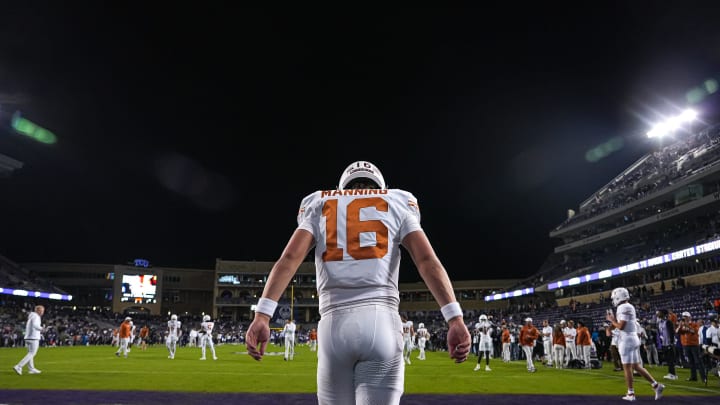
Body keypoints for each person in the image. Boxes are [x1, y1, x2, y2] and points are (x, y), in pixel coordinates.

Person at [245, 160, 471, 405]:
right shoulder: (397, 201)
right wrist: (454, 318)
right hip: (381, 321)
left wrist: (263, 315)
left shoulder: (320, 203)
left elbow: (289, 259)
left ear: (343, 186)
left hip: (333, 326)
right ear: (380, 185)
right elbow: (427, 260)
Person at [605, 287, 664, 401]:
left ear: (618, 297)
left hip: (627, 339)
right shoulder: (628, 306)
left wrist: (611, 321)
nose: (613, 300)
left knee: (626, 367)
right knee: (636, 366)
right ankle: (656, 385)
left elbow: (621, 326)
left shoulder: (623, 307)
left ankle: (631, 394)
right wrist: (611, 327)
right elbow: (622, 324)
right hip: (632, 338)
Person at [675, 311, 707, 384]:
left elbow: (693, 331)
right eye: (683, 317)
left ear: (689, 317)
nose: (684, 318)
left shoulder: (694, 324)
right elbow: (677, 332)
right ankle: (693, 377)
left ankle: (703, 378)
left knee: (698, 361)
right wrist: (680, 325)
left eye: (685, 317)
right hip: (686, 345)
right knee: (691, 362)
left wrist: (687, 325)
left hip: (694, 345)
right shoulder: (682, 325)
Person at [13, 305, 45, 375]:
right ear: (38, 310)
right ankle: (19, 366)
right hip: (33, 337)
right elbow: (35, 325)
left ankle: (31, 369)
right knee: (32, 353)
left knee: (30, 353)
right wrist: (42, 329)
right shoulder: (36, 316)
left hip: (28, 337)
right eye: (42, 311)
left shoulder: (32, 316)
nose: (43, 312)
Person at [656, 309, 678, 380]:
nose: (658, 314)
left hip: (669, 343)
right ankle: (671, 373)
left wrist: (671, 343)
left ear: (663, 313)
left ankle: (673, 375)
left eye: (659, 312)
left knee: (671, 359)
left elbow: (672, 333)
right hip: (664, 343)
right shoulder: (660, 323)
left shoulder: (668, 322)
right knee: (668, 359)